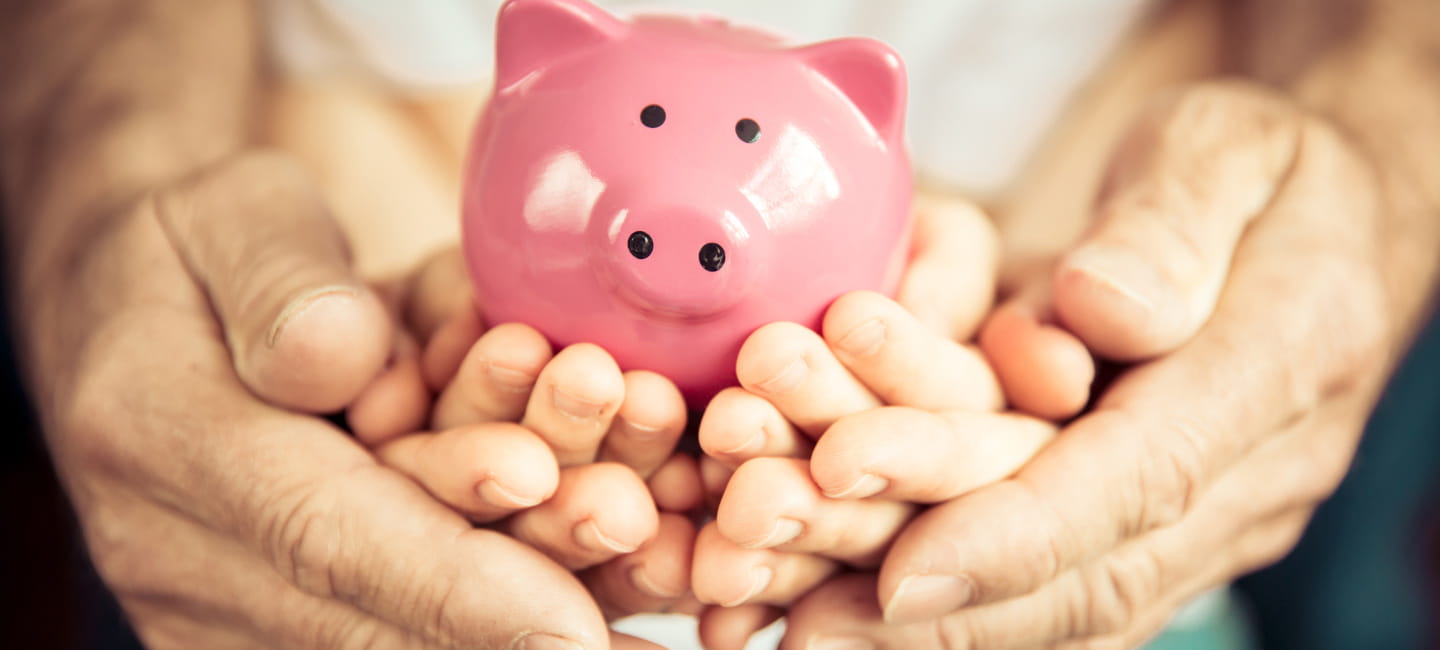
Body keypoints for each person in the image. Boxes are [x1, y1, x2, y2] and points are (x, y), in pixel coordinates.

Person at [2, 2, 1437, 650]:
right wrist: (102, 154)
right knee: (287, 565)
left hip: (1081, 125)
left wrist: (1388, 131)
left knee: (1129, 554)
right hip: (327, 150)